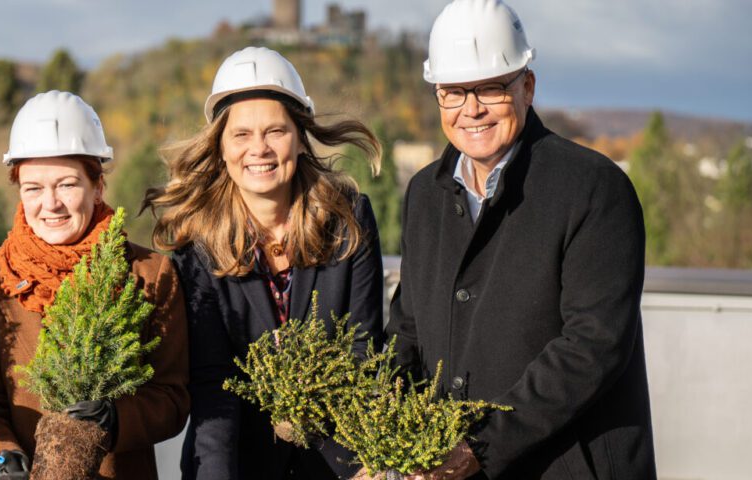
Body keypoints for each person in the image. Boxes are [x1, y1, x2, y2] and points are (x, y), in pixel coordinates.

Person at [383, 1, 657, 478]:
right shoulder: (425, 194)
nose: (471, 109)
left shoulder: (593, 188)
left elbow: (592, 346)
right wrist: (383, 439)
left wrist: (478, 445)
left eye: (490, 88)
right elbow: (409, 331)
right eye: (453, 92)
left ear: (527, 87)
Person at [144, 46, 386, 480]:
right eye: (241, 134)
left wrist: (364, 463)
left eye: (275, 131)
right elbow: (214, 384)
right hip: (238, 463)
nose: (259, 149)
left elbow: (362, 351)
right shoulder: (197, 245)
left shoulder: (348, 218)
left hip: (337, 463)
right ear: (220, 146)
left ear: (300, 137)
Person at [0, 90, 189, 480]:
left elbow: (171, 398)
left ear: (98, 186)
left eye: (67, 185)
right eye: (33, 188)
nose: (51, 203)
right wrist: (3, 461)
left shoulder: (149, 274)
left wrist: (115, 418)